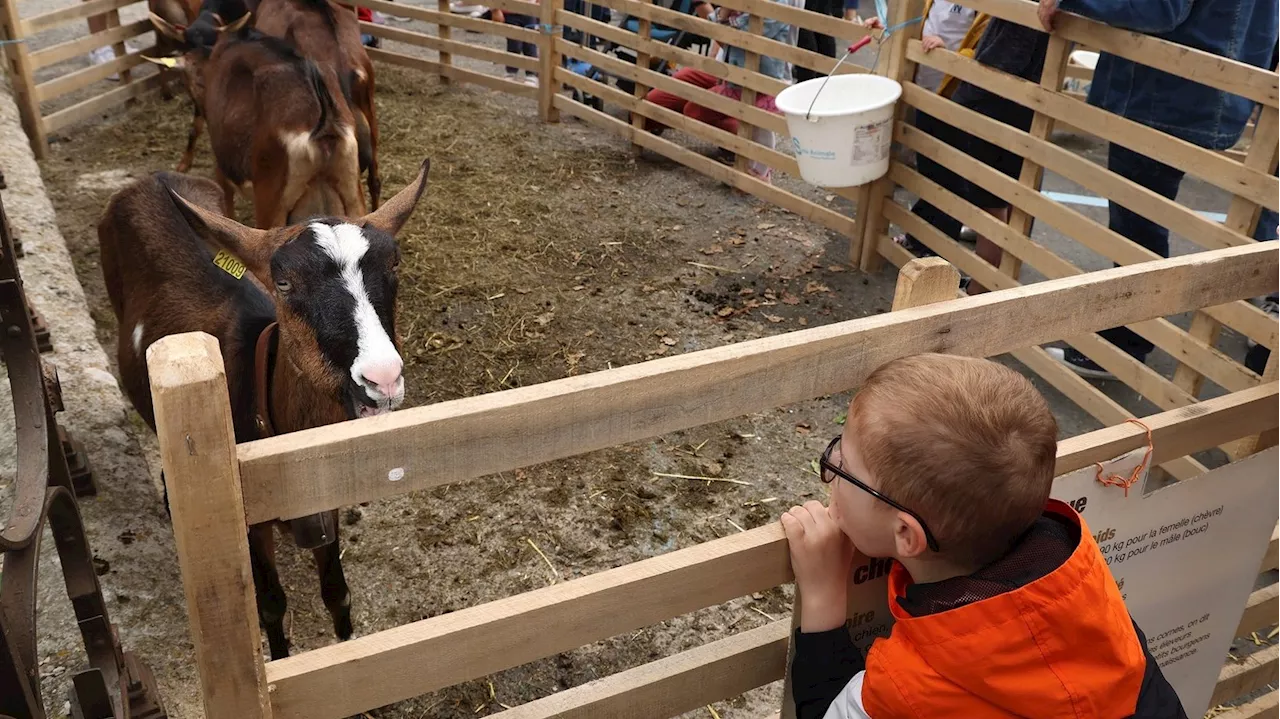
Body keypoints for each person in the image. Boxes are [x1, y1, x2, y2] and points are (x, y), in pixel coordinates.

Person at [782, 353, 1187, 719]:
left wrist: (823, 596)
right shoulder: (1084, 581)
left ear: (906, 534)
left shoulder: (908, 688)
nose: (832, 468)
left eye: (846, 468)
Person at [1036, 0, 1280, 379]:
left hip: (1162, 90)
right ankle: (1137, 331)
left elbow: (1159, 8)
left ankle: (1125, 343)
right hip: (1207, 86)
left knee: (1137, 222)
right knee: (1145, 216)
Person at [641, 0, 804, 183]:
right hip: (725, 64)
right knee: (646, 112)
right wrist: (722, 15)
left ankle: (756, 168)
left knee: (756, 121)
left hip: (758, 73)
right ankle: (742, 150)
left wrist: (723, 19)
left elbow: (753, 30)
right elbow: (719, 26)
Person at [891, 0, 983, 255]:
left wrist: (953, 57)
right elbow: (914, 22)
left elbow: (983, 48)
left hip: (953, 95)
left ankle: (936, 247)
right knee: (928, 168)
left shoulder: (985, 7)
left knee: (949, 175)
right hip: (923, 89)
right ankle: (921, 236)